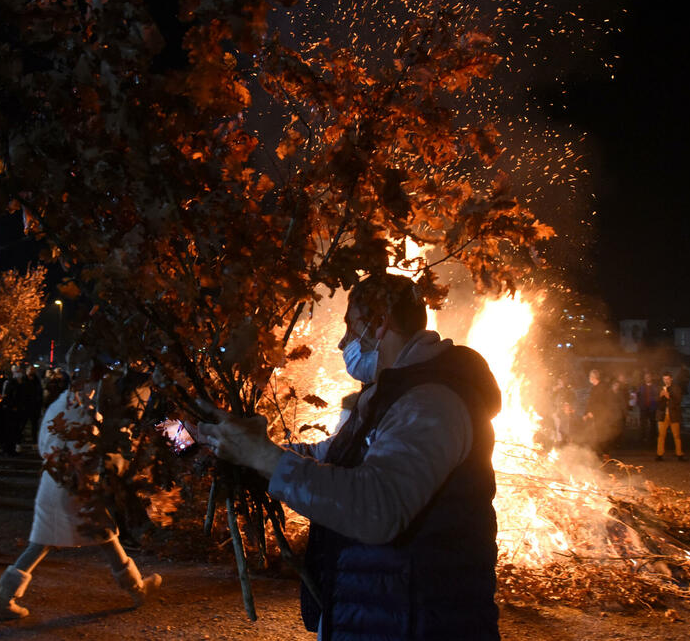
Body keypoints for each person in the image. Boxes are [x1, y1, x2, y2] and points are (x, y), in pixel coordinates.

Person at [197, 274, 502, 640]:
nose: (343, 341)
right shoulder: (389, 397)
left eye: (349, 325)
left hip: (417, 626)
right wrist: (240, 451)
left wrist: (265, 458)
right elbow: (327, 460)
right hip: (382, 618)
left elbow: (378, 507)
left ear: (380, 322)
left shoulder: (431, 403)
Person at [0, 351, 161, 620]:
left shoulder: (63, 405)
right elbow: (81, 451)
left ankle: (5, 598)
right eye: (99, 377)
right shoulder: (77, 410)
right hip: (74, 487)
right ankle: (136, 589)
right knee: (103, 533)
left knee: (50, 541)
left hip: (57, 485)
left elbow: (48, 446)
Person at [656, 371, 684, 461]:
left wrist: (668, 396)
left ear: (671, 378)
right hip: (662, 415)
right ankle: (659, 454)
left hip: (673, 415)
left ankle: (679, 454)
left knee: (676, 436)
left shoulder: (676, 388)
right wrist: (660, 396)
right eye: (664, 379)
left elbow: (678, 401)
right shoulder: (660, 388)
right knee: (661, 436)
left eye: (667, 379)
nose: (666, 381)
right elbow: (656, 401)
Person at [636, 372, 659, 443]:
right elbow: (638, 396)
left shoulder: (655, 387)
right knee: (643, 423)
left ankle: (653, 437)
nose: (647, 378)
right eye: (646, 377)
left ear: (651, 377)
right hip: (644, 408)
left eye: (648, 377)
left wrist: (656, 405)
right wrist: (639, 404)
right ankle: (643, 437)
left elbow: (657, 396)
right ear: (644, 378)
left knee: (653, 423)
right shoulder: (641, 387)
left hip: (652, 408)